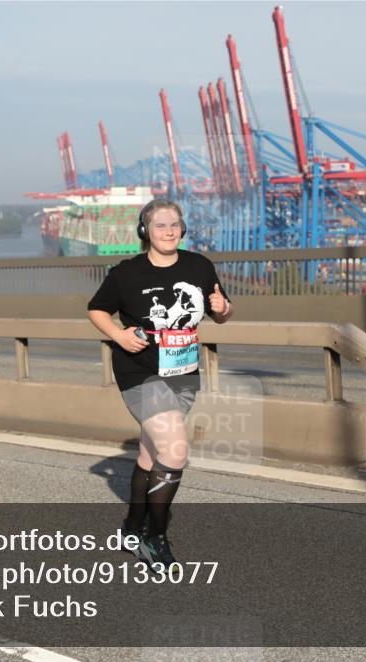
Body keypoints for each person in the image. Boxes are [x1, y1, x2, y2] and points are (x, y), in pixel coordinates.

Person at [87, 199, 233, 569]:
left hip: (183, 373)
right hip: (140, 372)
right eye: (160, 225)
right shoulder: (126, 273)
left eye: (175, 225)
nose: (169, 231)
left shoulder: (199, 265)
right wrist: (119, 336)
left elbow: (220, 314)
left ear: (182, 230)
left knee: (151, 455)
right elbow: (97, 308)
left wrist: (222, 309)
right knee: (176, 452)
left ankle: (131, 529)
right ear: (145, 232)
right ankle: (154, 537)